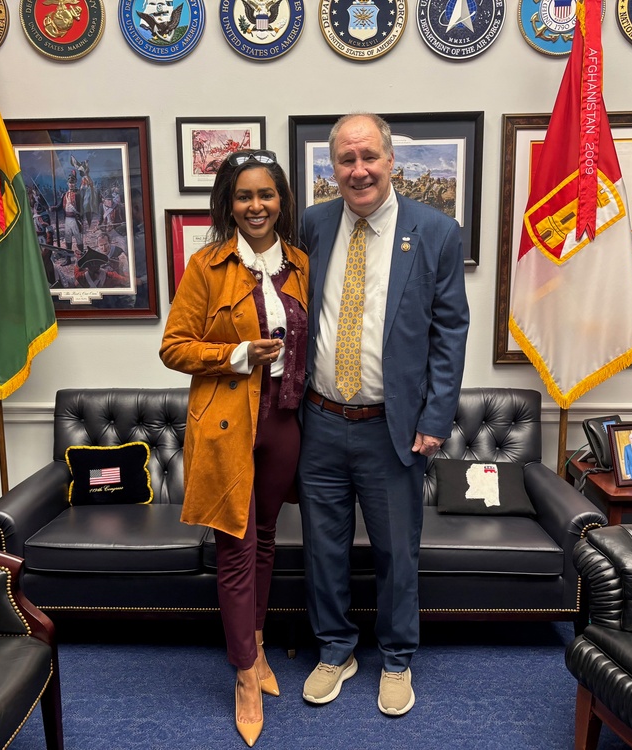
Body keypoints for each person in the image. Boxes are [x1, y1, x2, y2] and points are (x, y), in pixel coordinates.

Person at [297, 113, 469, 717]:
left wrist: (436, 416)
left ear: (391, 161)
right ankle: (336, 650)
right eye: (346, 160)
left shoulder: (436, 232)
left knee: (399, 549)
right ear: (333, 169)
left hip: (392, 426)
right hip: (318, 420)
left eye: (368, 156)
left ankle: (397, 659)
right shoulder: (313, 225)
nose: (358, 169)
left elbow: (451, 332)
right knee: (323, 547)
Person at [160, 150, 308, 747]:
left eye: (266, 195)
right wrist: (237, 354)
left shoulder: (299, 262)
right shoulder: (206, 265)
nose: (256, 206)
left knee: (267, 539)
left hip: (286, 422)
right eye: (244, 196)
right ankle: (246, 674)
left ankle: (260, 644)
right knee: (236, 546)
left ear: (281, 201)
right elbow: (173, 348)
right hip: (227, 423)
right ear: (228, 204)